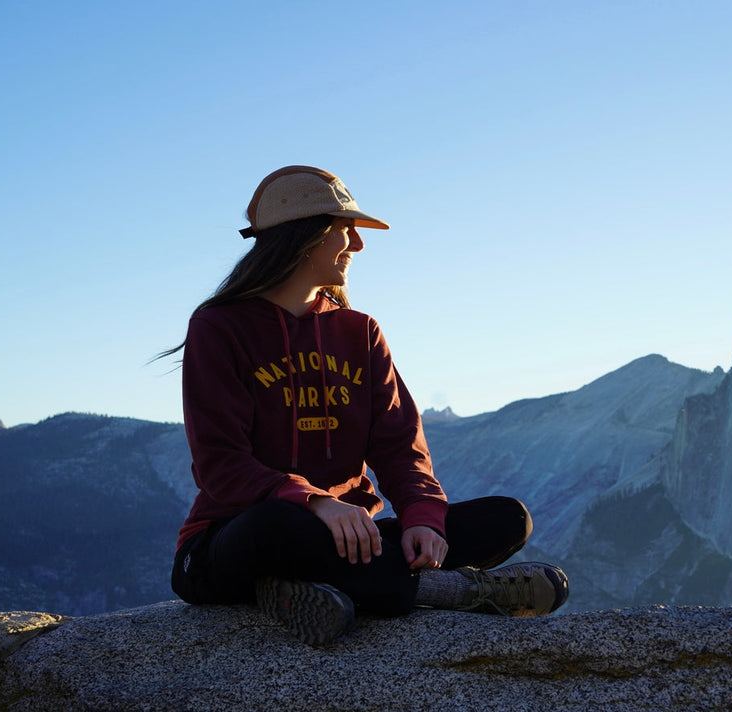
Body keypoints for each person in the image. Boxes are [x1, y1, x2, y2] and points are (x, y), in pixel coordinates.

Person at [167, 165, 568, 645]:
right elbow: (221, 466)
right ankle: (453, 590)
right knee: (275, 526)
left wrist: (423, 519)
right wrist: (317, 503)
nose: (356, 245)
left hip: (351, 542)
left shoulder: (359, 332)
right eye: (346, 229)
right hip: (234, 539)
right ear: (306, 236)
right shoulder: (219, 327)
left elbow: (401, 447)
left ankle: (312, 589)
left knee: (507, 518)